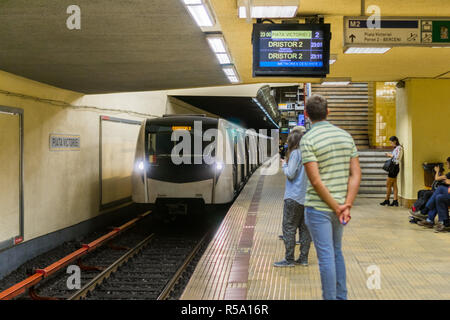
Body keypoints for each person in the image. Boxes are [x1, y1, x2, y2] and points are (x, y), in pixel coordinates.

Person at [300, 95, 361, 300]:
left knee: (326, 257)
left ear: (306, 114)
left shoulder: (308, 139)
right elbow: (356, 174)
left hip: (319, 208)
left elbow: (316, 181)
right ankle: (340, 297)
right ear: (328, 112)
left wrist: (336, 206)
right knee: (336, 253)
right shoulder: (346, 136)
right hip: (341, 208)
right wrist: (346, 205)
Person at [274, 130, 311, 267]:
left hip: (293, 196)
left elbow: (290, 174)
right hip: (306, 197)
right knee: (304, 229)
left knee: (289, 228)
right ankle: (303, 259)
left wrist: (284, 164)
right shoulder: (309, 153)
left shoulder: (296, 153)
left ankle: (289, 259)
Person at [380, 136, 403, 207]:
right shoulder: (397, 148)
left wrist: (390, 155)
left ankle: (387, 200)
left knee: (388, 184)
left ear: (395, 141)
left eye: (391, 142)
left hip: (394, 167)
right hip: (394, 167)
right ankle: (395, 201)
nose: (391, 144)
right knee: (394, 184)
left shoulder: (399, 148)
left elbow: (397, 157)